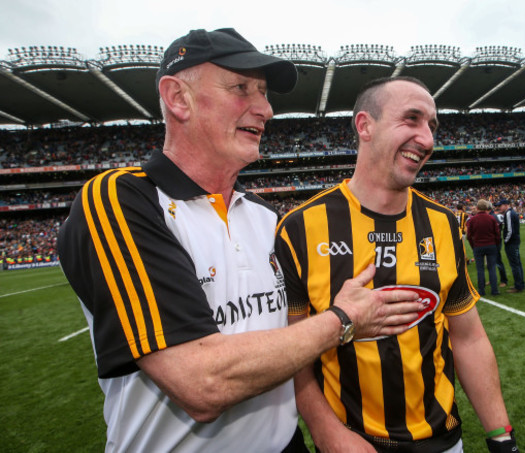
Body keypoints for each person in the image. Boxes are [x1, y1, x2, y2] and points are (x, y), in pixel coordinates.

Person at [56, 29, 426, 452]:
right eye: (241, 88)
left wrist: (325, 427)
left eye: (265, 93)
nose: (266, 108)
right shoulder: (121, 200)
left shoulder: (267, 219)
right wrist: (342, 320)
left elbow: (292, 343)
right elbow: (201, 383)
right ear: (178, 98)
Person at [275, 76, 519, 453]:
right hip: (350, 443)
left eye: (432, 126)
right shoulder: (299, 229)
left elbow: (468, 337)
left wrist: (500, 435)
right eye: (411, 119)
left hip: (443, 443)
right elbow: (293, 355)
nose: (427, 139)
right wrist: (327, 432)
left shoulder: (443, 224)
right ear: (365, 125)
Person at [466, 199, 502, 297]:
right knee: (492, 268)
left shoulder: (472, 220)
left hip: (478, 246)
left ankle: (481, 290)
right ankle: (494, 290)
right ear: (487, 208)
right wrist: (496, 245)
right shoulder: (491, 219)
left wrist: (473, 246)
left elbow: (469, 236)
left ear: (477, 208)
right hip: (491, 246)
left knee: (480, 269)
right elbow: (497, 234)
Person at [495, 199, 525, 293]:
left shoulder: (508, 213)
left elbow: (510, 230)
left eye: (500, 206)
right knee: (517, 263)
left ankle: (518, 286)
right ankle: (520, 284)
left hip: (511, 242)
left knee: (514, 264)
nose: (499, 208)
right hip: (515, 241)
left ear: (506, 205)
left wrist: (506, 240)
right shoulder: (511, 213)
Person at [490, 203, 509, 289]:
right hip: (493, 242)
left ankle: (503, 280)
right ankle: (492, 278)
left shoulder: (493, 216)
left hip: (495, 242)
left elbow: (497, 230)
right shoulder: (493, 216)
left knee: (498, 262)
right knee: (492, 262)